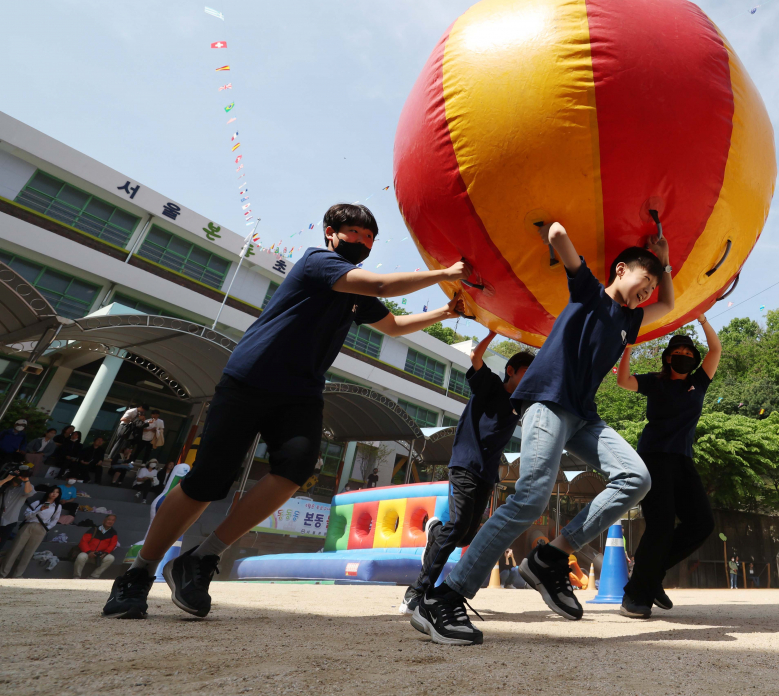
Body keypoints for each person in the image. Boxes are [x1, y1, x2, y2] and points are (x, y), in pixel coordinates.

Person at [102, 202, 467, 620]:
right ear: (330, 233)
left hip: (301, 391)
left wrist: (445, 312)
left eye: (369, 238)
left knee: (295, 468)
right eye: (354, 233)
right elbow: (382, 285)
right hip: (250, 379)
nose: (362, 242)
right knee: (208, 480)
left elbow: (395, 326)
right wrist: (445, 273)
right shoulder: (319, 263)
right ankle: (138, 573)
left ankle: (201, 559)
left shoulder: (355, 293)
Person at [412, 221, 672, 646]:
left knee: (636, 478)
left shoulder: (632, 320)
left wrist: (664, 264)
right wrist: (557, 229)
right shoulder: (589, 292)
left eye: (653, 287)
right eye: (646, 280)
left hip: (584, 416)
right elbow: (557, 234)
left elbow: (669, 303)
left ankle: (550, 557)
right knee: (531, 497)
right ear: (621, 270)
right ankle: (444, 598)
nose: (649, 291)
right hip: (548, 402)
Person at [403, 332, 534, 613]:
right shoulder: (490, 384)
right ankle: (417, 591)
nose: (530, 378)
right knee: (458, 526)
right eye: (526, 372)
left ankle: (435, 530)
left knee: (464, 536)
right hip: (466, 463)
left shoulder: (521, 403)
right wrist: (495, 330)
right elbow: (475, 356)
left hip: (487, 474)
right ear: (510, 370)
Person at [615, 315, 721, 618]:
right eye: (678, 352)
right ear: (668, 357)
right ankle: (636, 596)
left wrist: (702, 318)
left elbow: (715, 350)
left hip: (683, 459)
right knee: (660, 526)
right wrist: (628, 347)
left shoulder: (698, 383)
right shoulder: (655, 381)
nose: (684, 356)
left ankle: (651, 575)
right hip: (653, 458)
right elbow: (623, 381)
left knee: (702, 523)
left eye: (689, 353)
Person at [0, 486, 62, 578]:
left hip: (42, 528)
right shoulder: (38, 503)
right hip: (29, 525)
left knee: (29, 553)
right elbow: (26, 515)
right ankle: (3, 573)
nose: (54, 494)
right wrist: (39, 509)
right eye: (53, 491)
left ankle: (18, 575)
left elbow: (54, 520)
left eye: (57, 492)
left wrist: (46, 528)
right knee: (15, 549)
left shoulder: (57, 506)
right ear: (48, 492)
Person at [0, 468, 36, 550]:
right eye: (18, 474)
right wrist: (7, 479)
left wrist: (26, 480)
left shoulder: (26, 486)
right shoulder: (4, 484)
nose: (20, 477)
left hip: (10, 521)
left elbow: (29, 492)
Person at [73, 514, 119, 579]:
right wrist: (89, 552)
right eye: (109, 519)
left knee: (111, 558)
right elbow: (83, 542)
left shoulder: (113, 533)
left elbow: (112, 545)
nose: (110, 521)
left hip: (100, 556)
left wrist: (105, 553)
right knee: (81, 556)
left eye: (113, 520)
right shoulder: (94, 529)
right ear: (104, 521)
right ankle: (77, 576)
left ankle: (93, 576)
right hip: (88, 553)